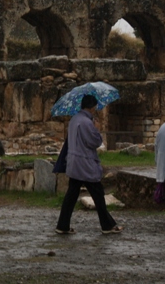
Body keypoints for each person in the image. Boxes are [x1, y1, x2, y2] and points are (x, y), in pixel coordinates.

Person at [55, 95, 123, 234]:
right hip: (85, 164)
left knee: (71, 196)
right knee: (98, 194)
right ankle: (107, 226)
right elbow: (94, 142)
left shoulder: (74, 119)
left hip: (74, 163)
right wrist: (96, 129)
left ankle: (62, 225)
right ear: (92, 107)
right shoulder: (86, 122)